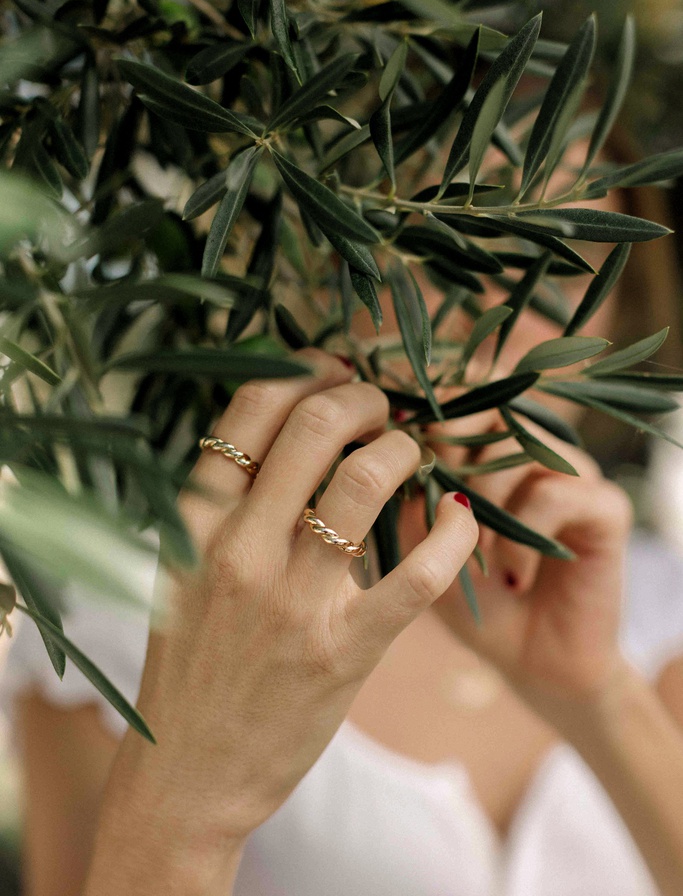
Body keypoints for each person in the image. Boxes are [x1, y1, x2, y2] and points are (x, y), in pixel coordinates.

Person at [3, 156, 683, 896]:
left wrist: (598, 700)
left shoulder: (659, 609)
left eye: (568, 261)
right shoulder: (131, 610)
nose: (505, 310)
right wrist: (185, 804)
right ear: (323, 248)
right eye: (454, 238)